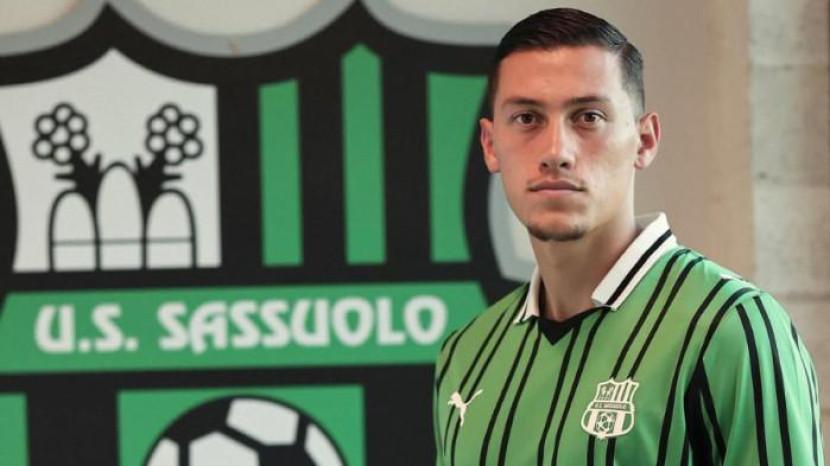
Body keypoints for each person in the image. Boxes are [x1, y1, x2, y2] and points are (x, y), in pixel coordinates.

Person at [433, 8, 823, 466]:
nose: (556, 151)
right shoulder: (467, 354)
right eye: (527, 118)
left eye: (588, 116)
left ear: (645, 140)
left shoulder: (732, 326)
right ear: (490, 145)